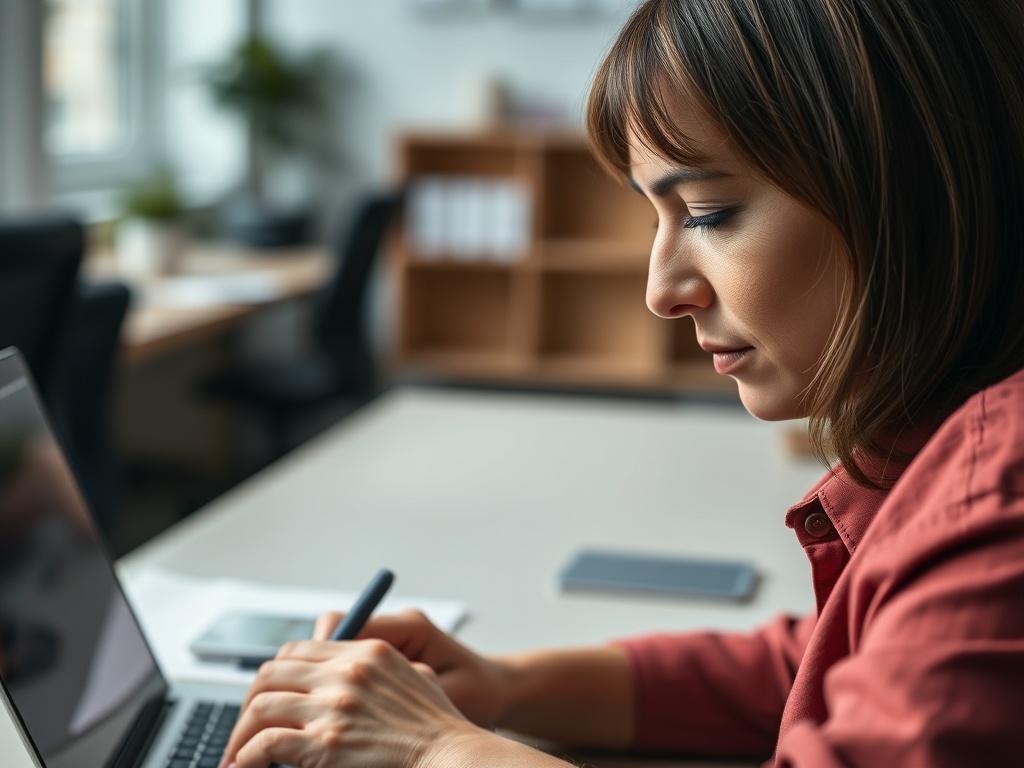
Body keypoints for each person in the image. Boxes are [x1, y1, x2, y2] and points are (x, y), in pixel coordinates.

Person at [219, 1, 1024, 766]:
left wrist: (436, 749)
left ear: (906, 191)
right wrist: (506, 686)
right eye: (655, 218)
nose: (662, 289)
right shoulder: (941, 441)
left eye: (706, 213)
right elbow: (817, 667)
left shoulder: (997, 495)